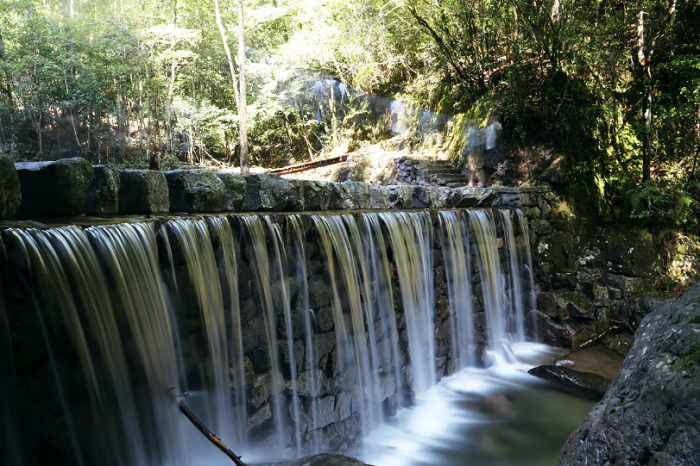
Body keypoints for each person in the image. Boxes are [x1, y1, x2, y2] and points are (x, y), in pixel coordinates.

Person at [484, 115, 504, 186]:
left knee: (496, 164)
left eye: (491, 117)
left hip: (495, 147)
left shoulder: (497, 124)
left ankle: (497, 181)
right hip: (488, 149)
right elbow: (485, 139)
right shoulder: (487, 128)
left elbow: (500, 133)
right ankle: (493, 180)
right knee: (491, 165)